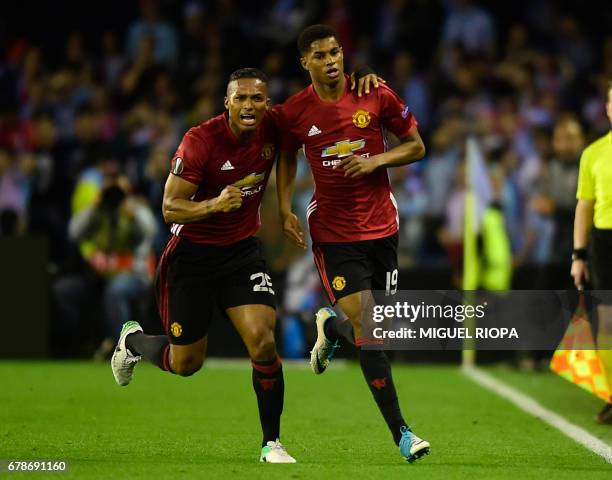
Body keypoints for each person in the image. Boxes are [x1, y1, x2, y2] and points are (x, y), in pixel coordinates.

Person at [110, 67, 381, 463]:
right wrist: (213, 205)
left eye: (257, 98)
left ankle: (271, 442)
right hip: (192, 256)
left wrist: (361, 84)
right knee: (186, 363)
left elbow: (318, 104)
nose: (249, 105)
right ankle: (132, 342)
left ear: (267, 104)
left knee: (264, 341)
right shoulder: (200, 140)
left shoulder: (274, 127)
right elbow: (170, 206)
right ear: (227, 103)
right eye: (241, 98)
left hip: (240, 252)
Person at [275, 24, 430, 462]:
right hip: (334, 233)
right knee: (371, 325)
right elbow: (285, 155)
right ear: (305, 62)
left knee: (373, 325)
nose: (331, 61)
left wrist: (375, 160)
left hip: (383, 227)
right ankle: (402, 432)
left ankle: (331, 328)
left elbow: (416, 146)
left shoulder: (375, 92)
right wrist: (285, 207)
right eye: (320, 55)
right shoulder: (294, 112)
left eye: (336, 52)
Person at [571, 80, 612, 424]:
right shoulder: (594, 152)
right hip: (604, 241)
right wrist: (579, 255)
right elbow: (585, 206)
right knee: (607, 322)